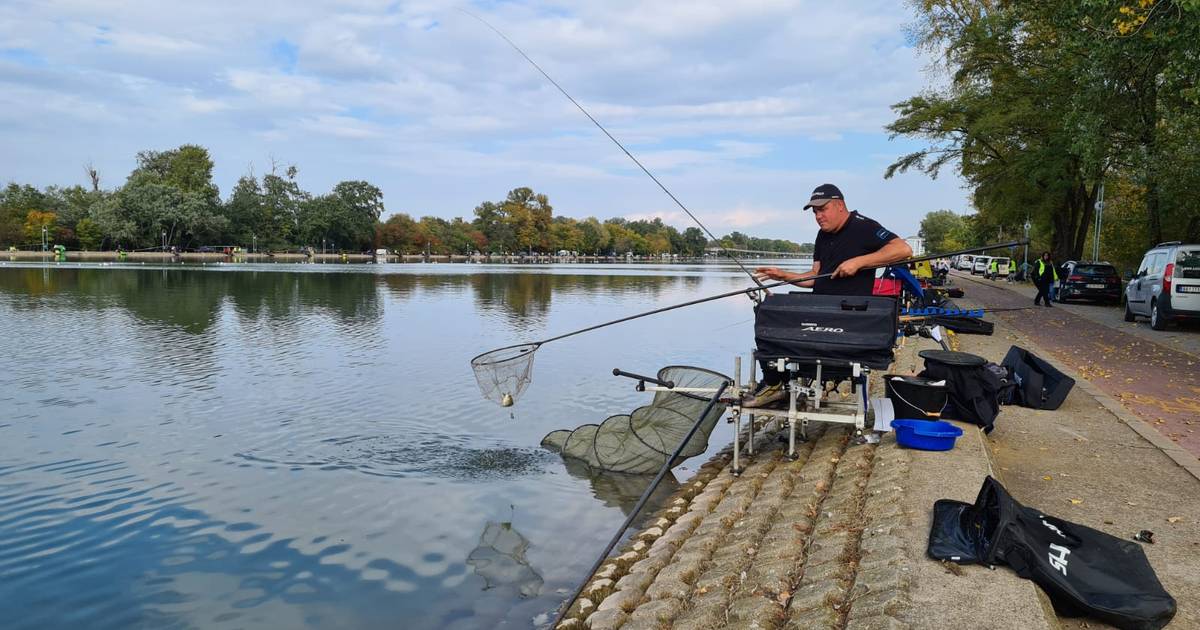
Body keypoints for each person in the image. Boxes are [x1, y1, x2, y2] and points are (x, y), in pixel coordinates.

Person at [743, 184, 913, 406]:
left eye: (822, 209)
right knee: (769, 314)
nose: (818, 216)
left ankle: (778, 383)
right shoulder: (822, 236)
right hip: (821, 309)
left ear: (840, 205)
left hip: (850, 317)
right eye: (815, 212)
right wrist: (783, 275)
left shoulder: (864, 226)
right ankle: (776, 383)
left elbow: (903, 249)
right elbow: (815, 276)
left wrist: (859, 262)